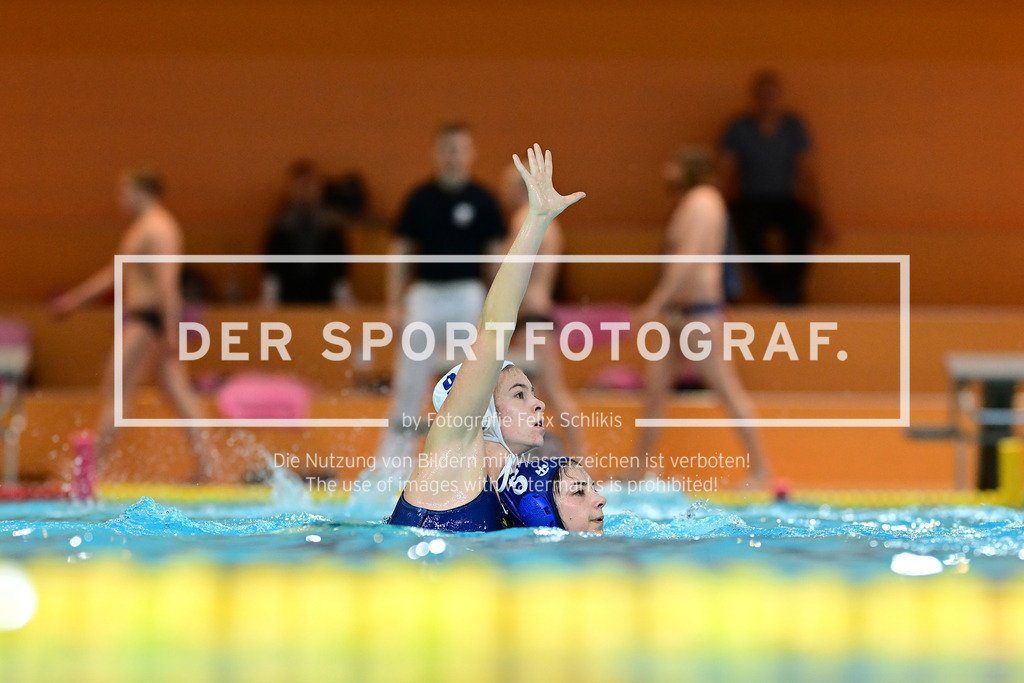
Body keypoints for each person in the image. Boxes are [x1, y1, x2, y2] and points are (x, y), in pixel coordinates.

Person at [387, 145, 605, 533]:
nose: (538, 403)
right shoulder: (453, 449)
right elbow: (493, 328)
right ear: (484, 410)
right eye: (519, 394)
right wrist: (535, 222)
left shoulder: (511, 490)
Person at [52, 169, 211, 480]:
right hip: (151, 320)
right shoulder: (145, 228)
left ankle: (88, 470)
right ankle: (207, 468)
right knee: (178, 394)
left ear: (142, 190)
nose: (120, 199)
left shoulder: (159, 227)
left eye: (124, 191)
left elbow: (167, 282)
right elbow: (116, 272)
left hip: (150, 320)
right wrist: (75, 299)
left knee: (117, 390)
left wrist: (170, 330)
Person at [374, 122, 507, 480]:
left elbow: (497, 260)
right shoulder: (419, 198)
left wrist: (502, 310)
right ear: (436, 153)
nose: (454, 157)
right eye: (448, 149)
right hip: (425, 294)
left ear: (471, 154)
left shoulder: (483, 200)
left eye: (461, 150)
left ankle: (478, 464)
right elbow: (400, 252)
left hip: (468, 293)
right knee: (409, 382)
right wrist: (393, 303)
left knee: (475, 379)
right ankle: (391, 468)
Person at [630, 147, 769, 487]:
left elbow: (688, 256)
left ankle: (760, 470)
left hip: (699, 313)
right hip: (682, 314)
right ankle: (637, 473)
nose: (666, 171)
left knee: (726, 389)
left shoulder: (703, 199)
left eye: (672, 164)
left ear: (689, 168)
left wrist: (655, 302)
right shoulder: (693, 202)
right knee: (655, 391)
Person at [718, 69, 830, 305]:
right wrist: (716, 208)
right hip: (751, 199)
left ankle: (789, 290)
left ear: (780, 98)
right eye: (763, 95)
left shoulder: (793, 128)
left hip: (785, 199)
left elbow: (807, 172)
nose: (768, 101)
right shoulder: (739, 129)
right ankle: (771, 288)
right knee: (747, 230)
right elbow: (725, 171)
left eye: (773, 95)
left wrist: (822, 215)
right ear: (754, 98)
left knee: (801, 228)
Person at [499, 163, 586, 460]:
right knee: (548, 395)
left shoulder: (525, 218)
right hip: (538, 316)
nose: (505, 190)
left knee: (545, 395)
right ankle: (579, 459)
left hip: (530, 319)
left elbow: (508, 270)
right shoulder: (550, 221)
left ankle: (582, 461)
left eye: (510, 184)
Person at [262, 159, 352, 306]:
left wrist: (346, 306)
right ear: (290, 189)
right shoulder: (280, 226)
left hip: (324, 301)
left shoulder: (331, 227)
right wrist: (268, 304)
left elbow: (339, 276)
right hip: (288, 301)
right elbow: (272, 276)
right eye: (300, 186)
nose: (305, 191)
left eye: (309, 185)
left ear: (319, 189)